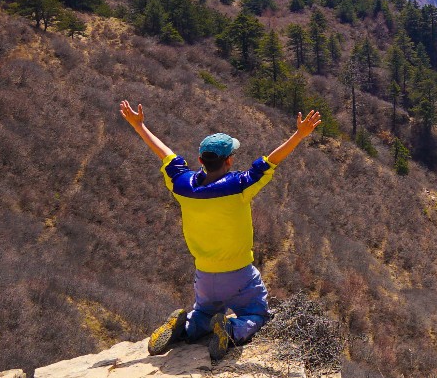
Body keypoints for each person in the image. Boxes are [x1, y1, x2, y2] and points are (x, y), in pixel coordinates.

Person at [117, 99, 321, 360]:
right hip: (239, 274)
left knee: (202, 312)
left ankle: (186, 328)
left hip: (205, 274)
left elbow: (166, 155)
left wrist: (139, 126)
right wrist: (299, 135)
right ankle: (231, 328)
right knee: (256, 313)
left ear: (200, 159)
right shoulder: (239, 186)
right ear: (230, 160)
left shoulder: (182, 186)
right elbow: (270, 161)